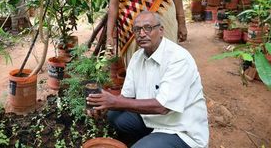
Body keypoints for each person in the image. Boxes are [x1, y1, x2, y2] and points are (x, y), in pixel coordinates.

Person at [88, 11, 209, 148]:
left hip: (180, 130)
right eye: (137, 29)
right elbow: (126, 96)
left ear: (161, 30)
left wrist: (113, 101)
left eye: (148, 28)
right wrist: (103, 105)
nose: (142, 33)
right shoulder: (137, 57)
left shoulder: (178, 58)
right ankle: (145, 141)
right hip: (152, 122)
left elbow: (163, 107)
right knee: (114, 115)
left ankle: (150, 143)